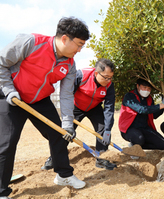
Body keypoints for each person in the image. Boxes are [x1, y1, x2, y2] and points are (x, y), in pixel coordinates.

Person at [0, 16, 90, 198]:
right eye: (79, 44)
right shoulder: (31, 42)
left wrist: (67, 123)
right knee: (7, 143)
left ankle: (64, 175)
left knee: (59, 133)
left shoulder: (70, 65)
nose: (80, 50)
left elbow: (66, 95)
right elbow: (1, 63)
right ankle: (1, 191)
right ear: (64, 38)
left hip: (39, 99)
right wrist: (9, 91)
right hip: (12, 97)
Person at [41, 58, 117, 171]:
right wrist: (68, 120)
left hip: (94, 107)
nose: (108, 80)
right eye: (105, 77)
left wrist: (107, 129)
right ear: (96, 73)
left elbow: (109, 108)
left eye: (110, 77)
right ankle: (54, 158)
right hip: (75, 106)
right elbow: (67, 95)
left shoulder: (109, 86)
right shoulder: (81, 76)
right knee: (65, 132)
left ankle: (101, 159)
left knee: (102, 129)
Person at [118, 78, 164, 156]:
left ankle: (136, 146)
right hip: (129, 129)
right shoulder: (129, 96)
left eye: (149, 89)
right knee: (139, 139)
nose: (146, 90)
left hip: (144, 128)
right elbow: (141, 109)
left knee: (162, 144)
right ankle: (135, 146)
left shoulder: (149, 99)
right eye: (144, 87)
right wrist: (161, 105)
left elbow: (154, 115)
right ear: (138, 86)